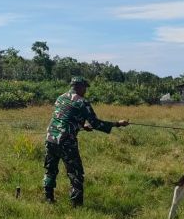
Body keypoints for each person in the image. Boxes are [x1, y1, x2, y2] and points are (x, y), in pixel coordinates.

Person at [43, 76, 129, 205]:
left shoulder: (60, 97)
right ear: (79, 87)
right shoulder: (82, 102)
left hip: (50, 138)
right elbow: (95, 123)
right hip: (66, 141)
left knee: (50, 169)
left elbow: (64, 116)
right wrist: (117, 124)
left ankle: (48, 198)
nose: (85, 91)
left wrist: (82, 126)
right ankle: (76, 205)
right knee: (75, 173)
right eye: (85, 88)